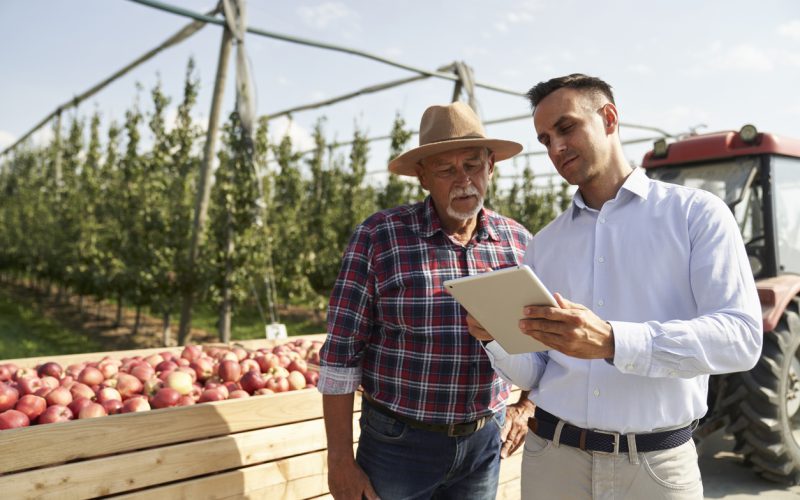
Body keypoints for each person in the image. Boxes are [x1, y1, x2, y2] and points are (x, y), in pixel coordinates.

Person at [468, 74, 763, 499]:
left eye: (566, 128)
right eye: (545, 139)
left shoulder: (697, 216)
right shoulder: (545, 244)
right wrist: (494, 338)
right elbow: (538, 370)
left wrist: (612, 341)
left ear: (608, 118)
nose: (555, 149)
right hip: (552, 462)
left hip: (655, 470)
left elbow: (741, 338)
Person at [318, 101, 535, 500]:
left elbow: (544, 341)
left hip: (484, 443)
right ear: (422, 177)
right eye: (445, 170)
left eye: (472, 165)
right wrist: (339, 461)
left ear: (491, 166)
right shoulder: (380, 237)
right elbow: (340, 356)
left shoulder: (518, 243)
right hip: (398, 444)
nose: (463, 180)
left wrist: (526, 406)